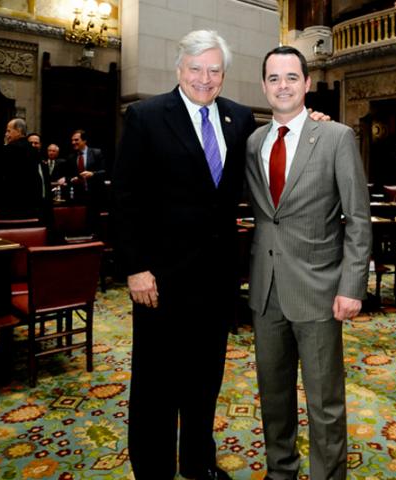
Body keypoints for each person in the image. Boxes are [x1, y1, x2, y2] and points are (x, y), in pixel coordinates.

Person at [112, 30, 257, 480]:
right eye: (196, 68)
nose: (205, 78)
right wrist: (135, 267)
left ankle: (198, 462)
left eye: (214, 70)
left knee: (204, 380)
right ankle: (153, 471)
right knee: (156, 385)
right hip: (160, 281)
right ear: (180, 70)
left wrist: (313, 123)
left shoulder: (239, 118)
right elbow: (126, 199)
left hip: (215, 281)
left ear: (224, 74)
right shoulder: (147, 116)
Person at [244, 46, 372, 480]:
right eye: (274, 78)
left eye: (292, 77)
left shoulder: (336, 137)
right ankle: (281, 471)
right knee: (273, 396)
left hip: (319, 289)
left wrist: (352, 285)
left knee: (325, 402)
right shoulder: (254, 142)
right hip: (266, 291)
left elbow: (357, 218)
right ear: (264, 86)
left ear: (307, 83)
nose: (283, 86)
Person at [0, 118, 46, 218]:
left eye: (8, 131)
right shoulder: (34, 151)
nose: (6, 134)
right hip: (31, 207)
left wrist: (5, 145)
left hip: (10, 206)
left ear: (19, 131)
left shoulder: (5, 151)